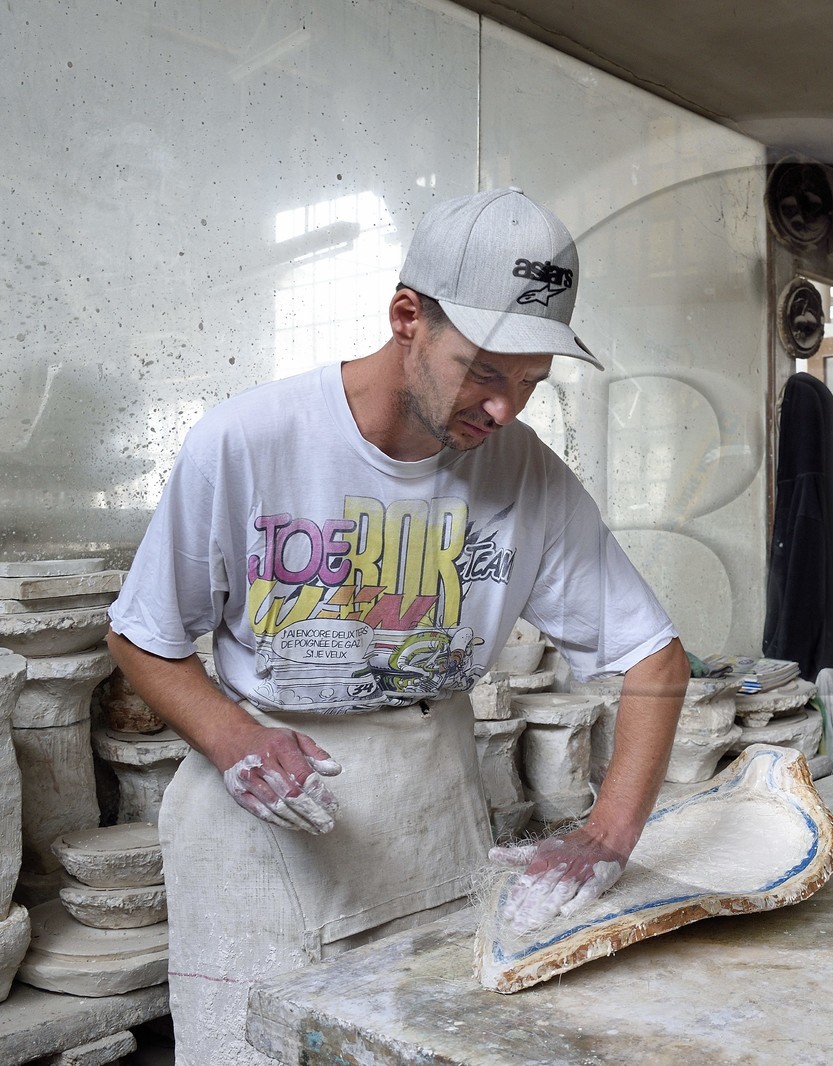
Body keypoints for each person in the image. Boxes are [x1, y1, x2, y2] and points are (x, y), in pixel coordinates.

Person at [106, 187, 689, 1064]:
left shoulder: (526, 476)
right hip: (260, 830)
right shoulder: (247, 442)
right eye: (485, 370)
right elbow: (141, 634)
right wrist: (232, 736)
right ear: (407, 316)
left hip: (432, 814)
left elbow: (654, 660)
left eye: (531, 384)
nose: (504, 410)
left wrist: (606, 837)